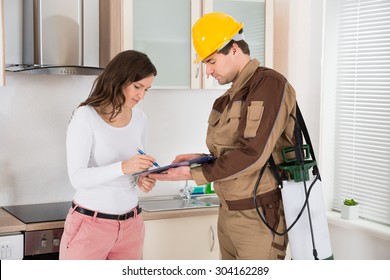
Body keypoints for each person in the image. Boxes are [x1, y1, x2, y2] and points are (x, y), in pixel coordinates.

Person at [150, 12, 297, 260]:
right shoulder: (226, 98)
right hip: (227, 215)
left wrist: (193, 173)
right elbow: (230, 153)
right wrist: (200, 159)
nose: (207, 71)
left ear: (234, 49)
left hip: (258, 219)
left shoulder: (269, 85)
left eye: (211, 61)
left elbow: (254, 153)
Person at [60, 50, 158, 260]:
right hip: (90, 226)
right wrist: (123, 167)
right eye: (137, 87)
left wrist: (142, 178)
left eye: (147, 89)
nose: (141, 96)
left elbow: (135, 168)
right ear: (118, 79)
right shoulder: (85, 116)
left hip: (131, 227)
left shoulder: (140, 118)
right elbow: (77, 177)